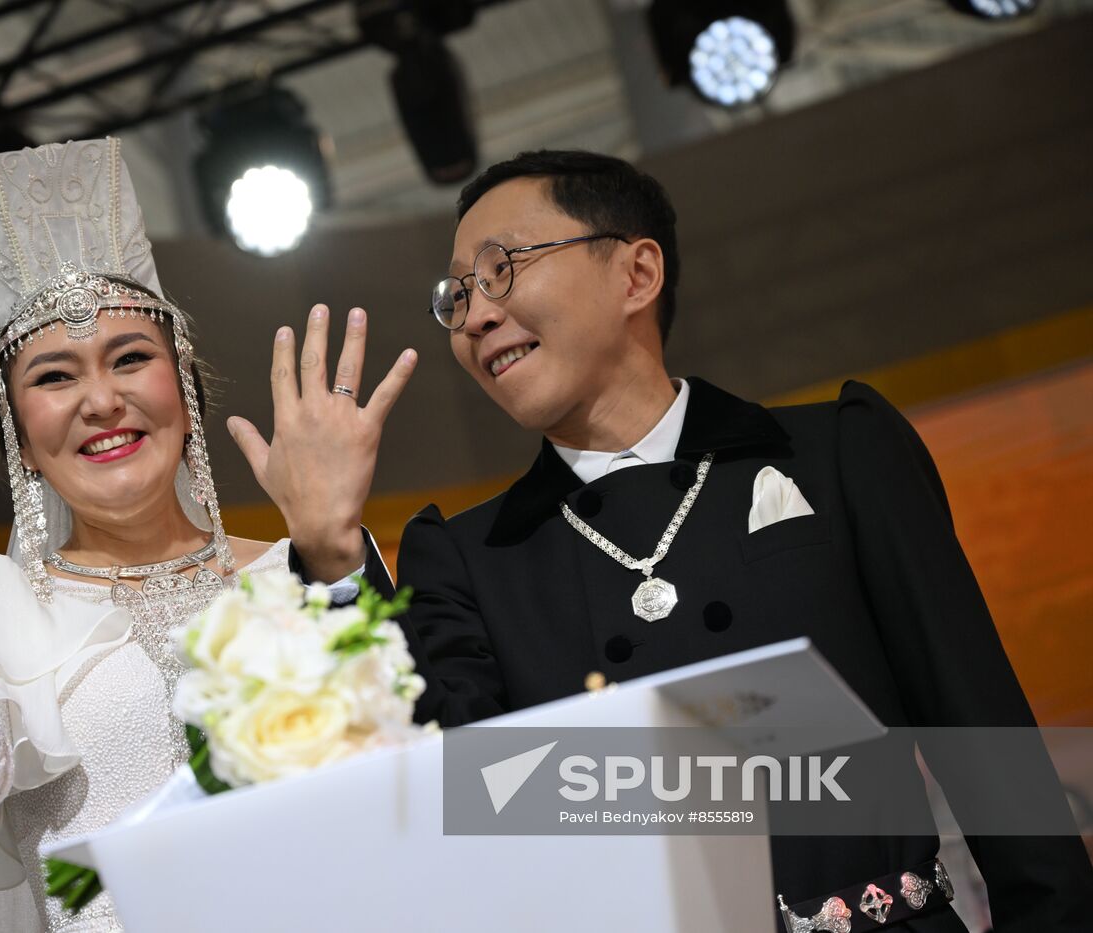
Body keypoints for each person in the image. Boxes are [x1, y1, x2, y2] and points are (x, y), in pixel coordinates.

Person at [307, 149, 1091, 931]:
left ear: (637, 274)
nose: (475, 314)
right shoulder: (471, 556)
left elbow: (992, 759)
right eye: (458, 293)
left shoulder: (836, 454)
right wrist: (334, 551)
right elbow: (452, 795)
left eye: (502, 267)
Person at [0, 137, 413, 932]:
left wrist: (331, 545)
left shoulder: (303, 569)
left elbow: (410, 772)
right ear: (19, 432)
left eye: (129, 359)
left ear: (185, 394)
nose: (101, 399)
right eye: (54, 376)